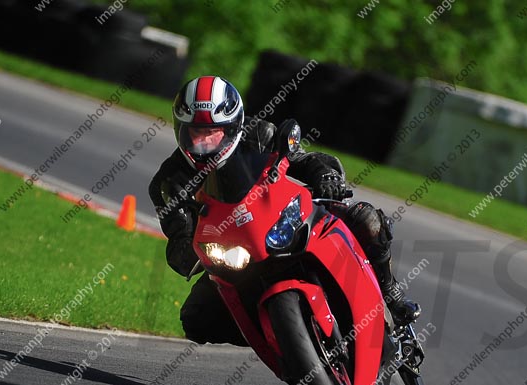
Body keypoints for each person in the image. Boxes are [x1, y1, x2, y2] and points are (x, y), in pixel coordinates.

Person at [148, 76, 420, 345]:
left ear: (232, 126)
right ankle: (279, 338)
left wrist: (325, 176)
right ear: (180, 130)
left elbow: (306, 159)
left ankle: (390, 294)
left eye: (213, 133)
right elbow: (178, 240)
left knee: (366, 219)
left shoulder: (260, 134)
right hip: (235, 257)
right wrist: (194, 254)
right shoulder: (169, 183)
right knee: (196, 319)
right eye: (197, 133)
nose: (205, 142)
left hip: (285, 218)